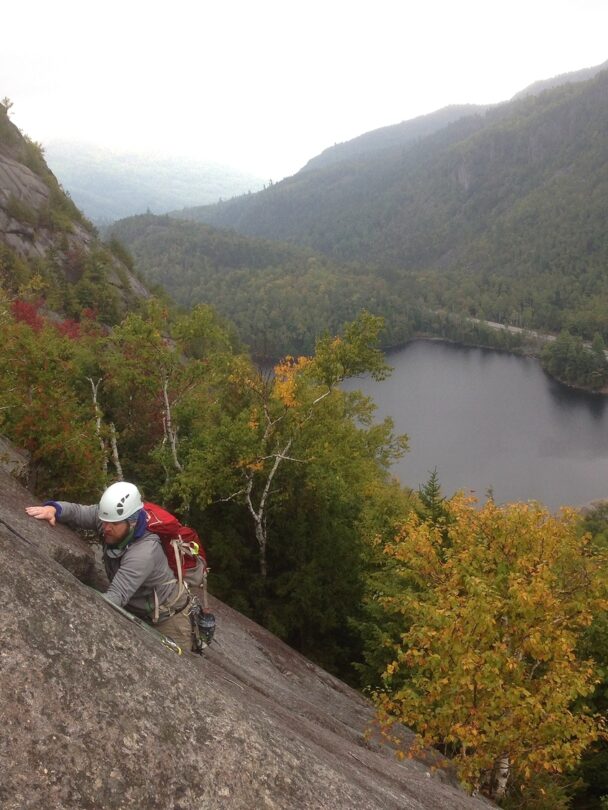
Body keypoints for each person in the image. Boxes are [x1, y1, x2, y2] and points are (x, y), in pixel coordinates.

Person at [26, 481, 194, 650]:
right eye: (104, 520)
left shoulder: (144, 552)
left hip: (168, 619)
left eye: (113, 524)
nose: (105, 527)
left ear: (132, 522)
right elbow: (78, 512)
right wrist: (54, 509)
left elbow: (115, 597)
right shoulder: (112, 519)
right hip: (137, 605)